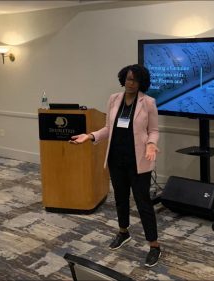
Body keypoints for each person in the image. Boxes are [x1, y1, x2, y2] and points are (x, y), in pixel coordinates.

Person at [70, 64, 161, 267]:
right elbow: (108, 128)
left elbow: (153, 130)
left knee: (143, 202)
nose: (130, 83)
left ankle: (154, 245)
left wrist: (152, 144)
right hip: (116, 159)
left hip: (138, 161)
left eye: (135, 80)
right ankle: (123, 232)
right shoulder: (114, 99)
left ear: (141, 83)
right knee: (120, 198)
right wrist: (90, 135)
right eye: (128, 79)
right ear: (123, 79)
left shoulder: (148, 102)